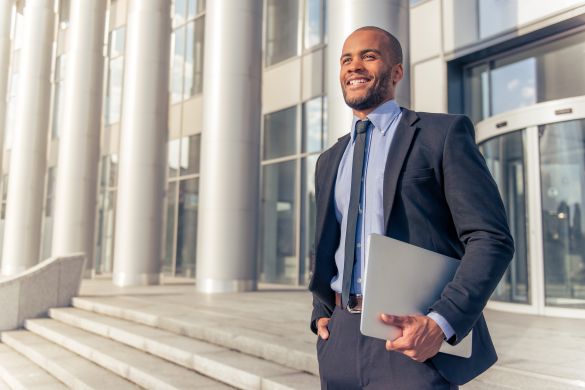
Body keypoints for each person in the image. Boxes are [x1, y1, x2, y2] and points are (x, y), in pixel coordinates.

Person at [308, 26, 514, 389]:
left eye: (368, 56)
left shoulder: (441, 135)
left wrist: (441, 322)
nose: (354, 66)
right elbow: (331, 244)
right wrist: (322, 312)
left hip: (412, 339)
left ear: (397, 72)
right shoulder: (329, 160)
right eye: (346, 59)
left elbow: (490, 237)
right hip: (339, 337)